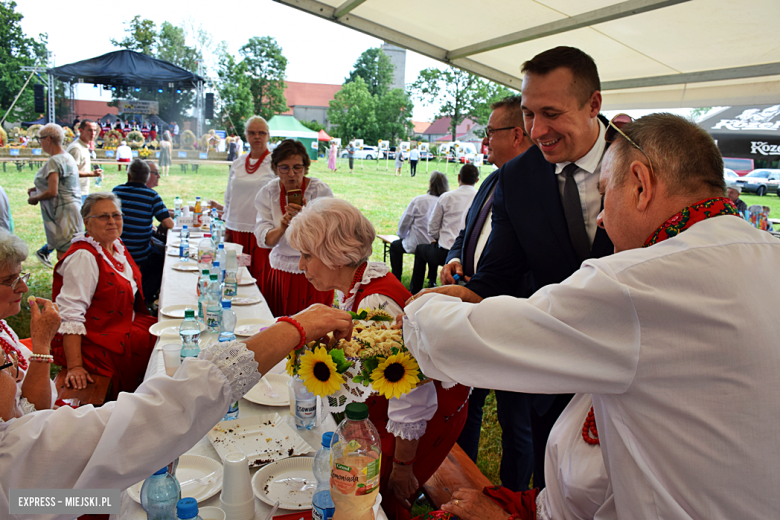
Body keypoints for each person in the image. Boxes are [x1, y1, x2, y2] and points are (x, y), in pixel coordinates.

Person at [403, 111, 780, 519]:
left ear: (640, 184)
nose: (600, 218)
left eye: (604, 194)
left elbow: (458, 341)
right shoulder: (766, 252)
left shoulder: (641, 281)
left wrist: (424, 305)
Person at [418, 47, 616, 490]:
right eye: (528, 114)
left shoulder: (645, 157)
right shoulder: (517, 177)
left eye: (551, 113)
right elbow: (497, 277)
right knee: (554, 488)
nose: (537, 130)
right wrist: (444, 300)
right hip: (556, 377)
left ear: (594, 104)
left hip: (634, 383)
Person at [0, 294, 353, 516]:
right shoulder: (13, 455)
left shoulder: (17, 457)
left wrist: (103, 497)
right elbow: (157, 414)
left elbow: (45, 501)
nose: (12, 372)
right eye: (5, 366)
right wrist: (294, 328)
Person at [288, 198, 471, 520]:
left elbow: (411, 391)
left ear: (336, 255)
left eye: (307, 256)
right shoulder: (357, 285)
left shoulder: (377, 301)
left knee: (377, 496)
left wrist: (402, 468)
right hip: (383, 420)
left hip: (409, 433)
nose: (301, 266)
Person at [438, 96, 537, 491]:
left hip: (511, 319)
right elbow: (466, 234)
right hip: (473, 307)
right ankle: (466, 486)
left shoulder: (535, 188)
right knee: (469, 403)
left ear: (515, 135)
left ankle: (512, 498)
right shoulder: (492, 179)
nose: (485, 142)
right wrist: (454, 258)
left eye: (490, 133)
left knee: (517, 420)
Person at [51, 192, 158, 400]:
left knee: (166, 337)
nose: (111, 221)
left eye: (116, 215)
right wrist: (74, 366)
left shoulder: (115, 246)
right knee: (160, 347)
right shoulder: (84, 257)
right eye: (103, 216)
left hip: (120, 328)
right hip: (95, 342)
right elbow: (70, 315)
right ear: (86, 223)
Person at [253, 139, 334, 316]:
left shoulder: (319, 191)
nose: (291, 174)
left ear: (305, 168)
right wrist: (282, 227)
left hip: (316, 272)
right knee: (281, 325)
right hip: (282, 271)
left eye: (297, 167)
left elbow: (332, 234)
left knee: (315, 327)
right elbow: (264, 239)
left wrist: (306, 220)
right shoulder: (268, 193)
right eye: (284, 167)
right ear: (275, 168)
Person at [210, 116, 275, 297]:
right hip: (236, 229)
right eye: (252, 133)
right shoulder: (238, 163)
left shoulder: (275, 164)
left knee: (260, 280)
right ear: (245, 135)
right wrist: (227, 228)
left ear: (268, 136)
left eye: (261, 133)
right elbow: (229, 198)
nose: (257, 137)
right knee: (234, 278)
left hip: (261, 232)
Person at [0, 230, 59, 423]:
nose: (24, 288)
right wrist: (41, 343)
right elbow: (33, 415)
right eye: (10, 281)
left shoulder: (2, 325)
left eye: (20, 276)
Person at [112, 159, 174, 307]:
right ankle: (144, 298)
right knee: (163, 262)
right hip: (140, 252)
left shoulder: (116, 192)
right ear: (147, 178)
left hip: (117, 250)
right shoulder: (151, 196)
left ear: (128, 176)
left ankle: (138, 294)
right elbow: (169, 224)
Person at [409, 164, 478, 294]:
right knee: (432, 247)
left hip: (445, 253)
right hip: (469, 255)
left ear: (458, 177)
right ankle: (432, 280)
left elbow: (432, 227)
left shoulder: (447, 197)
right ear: (477, 181)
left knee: (421, 250)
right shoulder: (479, 198)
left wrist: (437, 238)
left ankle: (414, 291)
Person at [27, 124, 84, 263]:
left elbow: (53, 191)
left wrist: (35, 198)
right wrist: (37, 189)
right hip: (72, 209)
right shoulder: (67, 156)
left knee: (64, 255)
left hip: (62, 212)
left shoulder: (54, 160)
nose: (40, 143)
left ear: (48, 139)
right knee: (71, 251)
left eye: (40, 140)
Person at [390, 171, 449, 283]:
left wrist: (402, 235)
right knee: (432, 246)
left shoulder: (419, 200)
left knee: (394, 246)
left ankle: (396, 277)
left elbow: (405, 222)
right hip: (435, 245)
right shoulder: (446, 202)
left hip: (416, 243)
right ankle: (432, 279)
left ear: (430, 184)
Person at [67, 119, 103, 205]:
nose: (93, 133)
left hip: (81, 191)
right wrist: (92, 174)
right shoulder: (76, 148)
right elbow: (71, 171)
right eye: (89, 130)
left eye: (94, 130)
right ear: (80, 130)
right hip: (75, 193)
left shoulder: (84, 146)